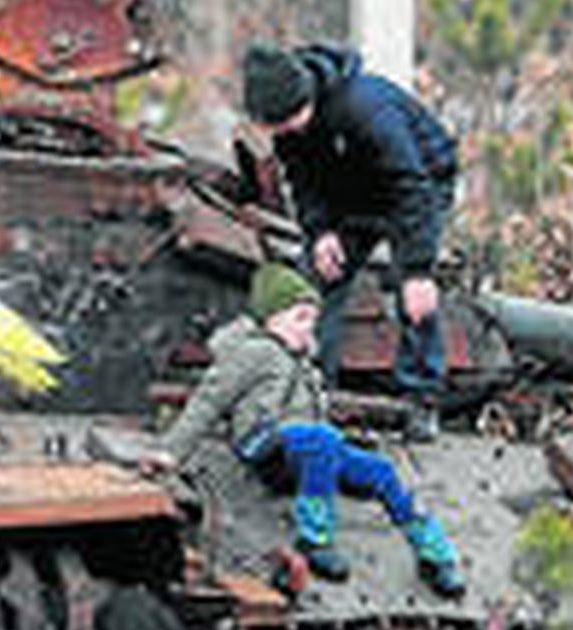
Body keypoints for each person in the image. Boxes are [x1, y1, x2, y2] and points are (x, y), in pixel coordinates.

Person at [146, 262, 464, 598]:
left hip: (308, 446)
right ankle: (314, 537)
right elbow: (208, 402)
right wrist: (170, 452)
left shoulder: (302, 362)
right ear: (271, 319)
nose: (308, 328)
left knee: (380, 471)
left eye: (312, 320)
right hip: (263, 441)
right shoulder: (251, 353)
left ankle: (434, 553)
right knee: (321, 441)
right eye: (299, 318)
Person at [241, 42, 459, 441]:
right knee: (316, 278)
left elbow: (411, 187)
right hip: (354, 191)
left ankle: (421, 399)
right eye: (277, 125)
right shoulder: (289, 130)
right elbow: (304, 184)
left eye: (291, 118)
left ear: (307, 96)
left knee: (414, 297)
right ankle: (309, 388)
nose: (288, 130)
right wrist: (321, 232)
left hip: (418, 181)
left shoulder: (365, 108)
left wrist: (418, 270)